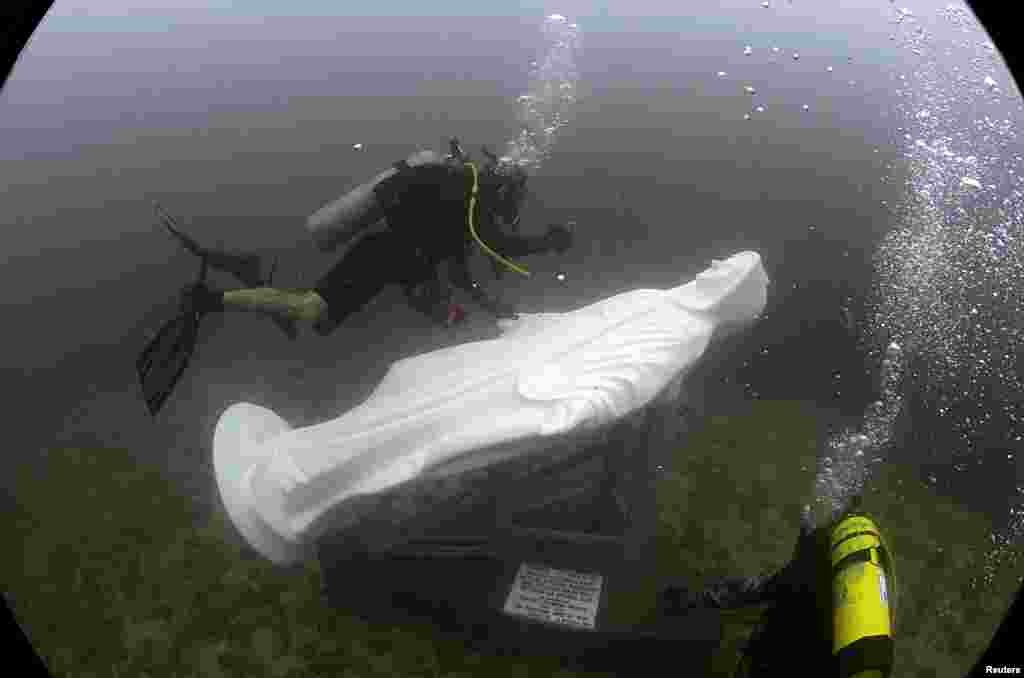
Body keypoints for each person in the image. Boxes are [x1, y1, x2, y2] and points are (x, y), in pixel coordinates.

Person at [185, 140, 574, 336]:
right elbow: (501, 247)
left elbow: (459, 273)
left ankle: (250, 278)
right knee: (308, 310)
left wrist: (491, 309)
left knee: (317, 317)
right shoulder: (474, 202)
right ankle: (212, 300)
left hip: (398, 262)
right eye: (515, 198)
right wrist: (548, 242)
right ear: (505, 189)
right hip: (385, 258)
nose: (513, 209)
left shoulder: (464, 205)